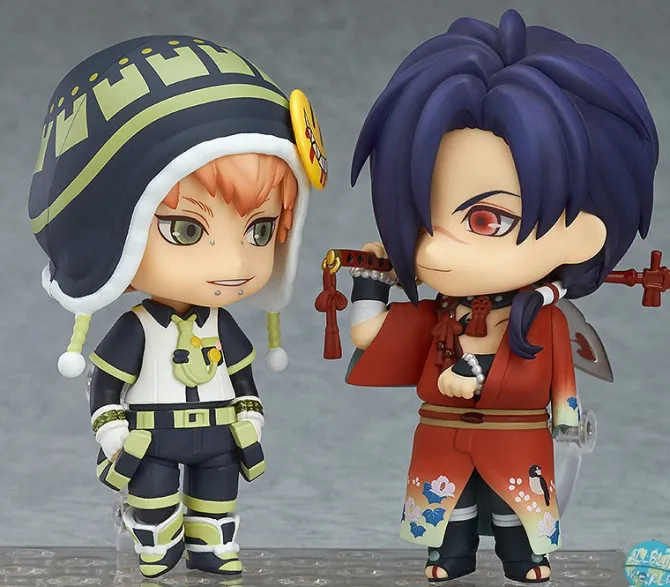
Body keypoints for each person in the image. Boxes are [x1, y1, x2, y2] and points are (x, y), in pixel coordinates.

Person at [344, 10, 658, 583]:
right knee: (450, 513)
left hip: (517, 437)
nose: (435, 247)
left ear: (584, 233)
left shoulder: (544, 320)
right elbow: (369, 335)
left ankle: (524, 559)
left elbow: (555, 380)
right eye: (422, 216)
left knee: (518, 514)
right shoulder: (441, 312)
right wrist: (371, 280)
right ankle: (449, 557)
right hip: (442, 435)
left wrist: (563, 417)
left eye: (485, 219)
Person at [28, 35, 327, 579]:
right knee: (155, 505)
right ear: (110, 232)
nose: (234, 262)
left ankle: (212, 548)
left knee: (217, 502)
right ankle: (157, 547)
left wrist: (249, 416)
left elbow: (242, 378)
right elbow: (106, 387)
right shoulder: (138, 328)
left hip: (218, 434)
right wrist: (112, 431)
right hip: (153, 436)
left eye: (260, 230)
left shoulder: (221, 324)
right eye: (186, 230)